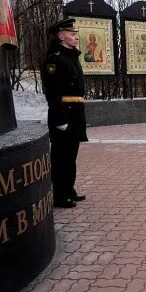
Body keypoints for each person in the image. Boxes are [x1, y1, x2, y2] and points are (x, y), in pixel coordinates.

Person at [41, 18, 89, 208]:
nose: (76, 37)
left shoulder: (71, 56)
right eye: (72, 34)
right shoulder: (55, 59)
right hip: (64, 114)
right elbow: (53, 93)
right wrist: (60, 119)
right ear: (61, 36)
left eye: (76, 34)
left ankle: (69, 190)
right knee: (61, 157)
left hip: (75, 113)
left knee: (71, 156)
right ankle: (59, 196)